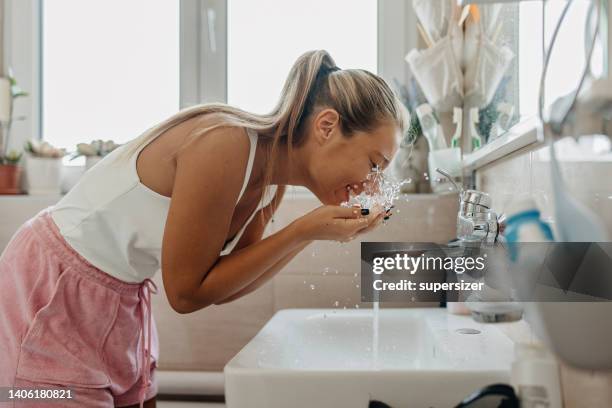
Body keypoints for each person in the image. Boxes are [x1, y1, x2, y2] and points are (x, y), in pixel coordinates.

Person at [0, 50, 408, 407]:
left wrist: (309, 234)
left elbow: (222, 285)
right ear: (326, 126)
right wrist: (301, 231)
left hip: (120, 298)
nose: (371, 186)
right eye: (374, 164)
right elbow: (186, 293)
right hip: (55, 285)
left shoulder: (271, 187)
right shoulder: (226, 143)